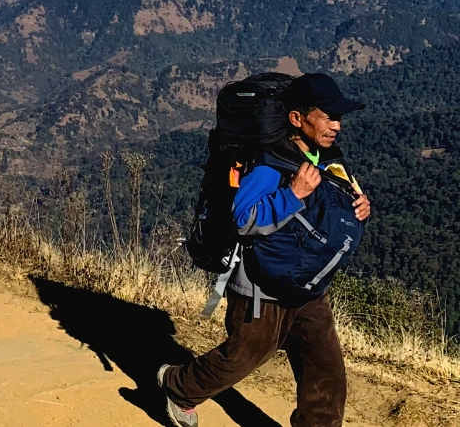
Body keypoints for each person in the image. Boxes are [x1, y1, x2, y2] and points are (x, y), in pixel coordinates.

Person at [159, 73, 372, 427]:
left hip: (306, 284)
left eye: (339, 117)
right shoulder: (268, 164)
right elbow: (245, 219)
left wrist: (360, 207)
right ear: (296, 118)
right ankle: (179, 386)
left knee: (325, 366)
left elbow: (335, 205)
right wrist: (293, 195)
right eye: (327, 116)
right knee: (247, 354)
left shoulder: (326, 158)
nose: (336, 125)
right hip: (261, 284)